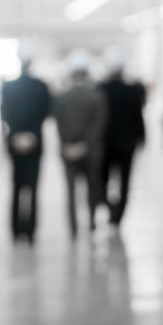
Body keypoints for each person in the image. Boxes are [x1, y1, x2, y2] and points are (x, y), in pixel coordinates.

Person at [53, 50, 108, 239]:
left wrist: (69, 145)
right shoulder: (96, 96)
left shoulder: (61, 97)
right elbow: (99, 124)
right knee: (92, 187)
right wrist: (85, 145)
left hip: (68, 150)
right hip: (90, 150)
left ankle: (73, 228)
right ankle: (92, 223)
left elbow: (59, 126)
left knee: (70, 191)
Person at [0, 43, 51, 244]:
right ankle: (30, 231)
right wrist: (30, 135)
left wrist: (17, 135)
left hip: (14, 142)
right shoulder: (41, 86)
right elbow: (46, 112)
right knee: (33, 188)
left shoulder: (9, 86)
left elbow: (4, 113)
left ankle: (15, 230)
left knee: (16, 187)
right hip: (35, 142)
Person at [99, 48, 146, 228]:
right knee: (125, 180)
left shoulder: (101, 89)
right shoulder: (133, 90)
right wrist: (142, 138)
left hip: (106, 142)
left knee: (104, 178)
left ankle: (111, 209)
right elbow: (138, 116)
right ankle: (119, 215)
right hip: (127, 143)